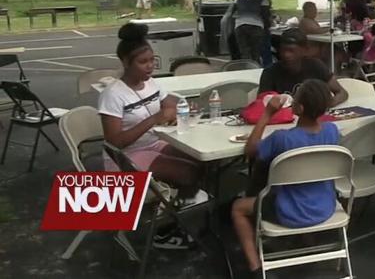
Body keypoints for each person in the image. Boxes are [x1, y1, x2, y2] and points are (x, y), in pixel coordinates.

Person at [99, 23, 205, 249]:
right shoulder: (113, 95)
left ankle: (179, 213)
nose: (150, 67)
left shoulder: (150, 83)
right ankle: (164, 229)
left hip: (153, 144)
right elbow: (114, 141)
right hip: (124, 158)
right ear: (126, 62)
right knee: (188, 173)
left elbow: (170, 102)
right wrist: (155, 118)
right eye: (143, 62)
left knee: (200, 160)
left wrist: (187, 106)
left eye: (152, 60)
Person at [231, 79, 340, 277]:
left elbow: (250, 150)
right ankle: (308, 240)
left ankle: (255, 268)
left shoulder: (282, 138)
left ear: (299, 107)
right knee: (308, 182)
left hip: (290, 211)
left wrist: (267, 114)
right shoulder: (332, 131)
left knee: (238, 208)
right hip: (325, 207)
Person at [258, 28, 349, 106]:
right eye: (283, 50)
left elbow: (342, 93)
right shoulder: (270, 73)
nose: (286, 55)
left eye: (291, 51)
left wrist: (328, 103)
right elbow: (261, 103)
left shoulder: (316, 66)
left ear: (305, 51)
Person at [233, 0, 272, 64]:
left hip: (240, 26)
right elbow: (265, 15)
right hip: (256, 27)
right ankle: (255, 72)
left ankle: (246, 70)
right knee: (255, 54)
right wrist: (267, 28)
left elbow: (233, 10)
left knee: (244, 53)